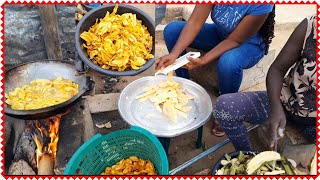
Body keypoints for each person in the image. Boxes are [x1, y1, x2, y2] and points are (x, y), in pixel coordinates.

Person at [155, 5, 276, 137]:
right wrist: (174, 54)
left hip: (248, 43)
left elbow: (235, 40)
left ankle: (226, 111)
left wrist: (204, 60)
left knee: (228, 62)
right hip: (220, 34)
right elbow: (195, 22)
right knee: (172, 30)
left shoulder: (262, 5)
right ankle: (183, 84)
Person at [212, 16, 316, 151]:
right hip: (286, 103)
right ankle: (247, 156)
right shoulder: (311, 26)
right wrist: (275, 107)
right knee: (224, 107)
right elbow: (277, 69)